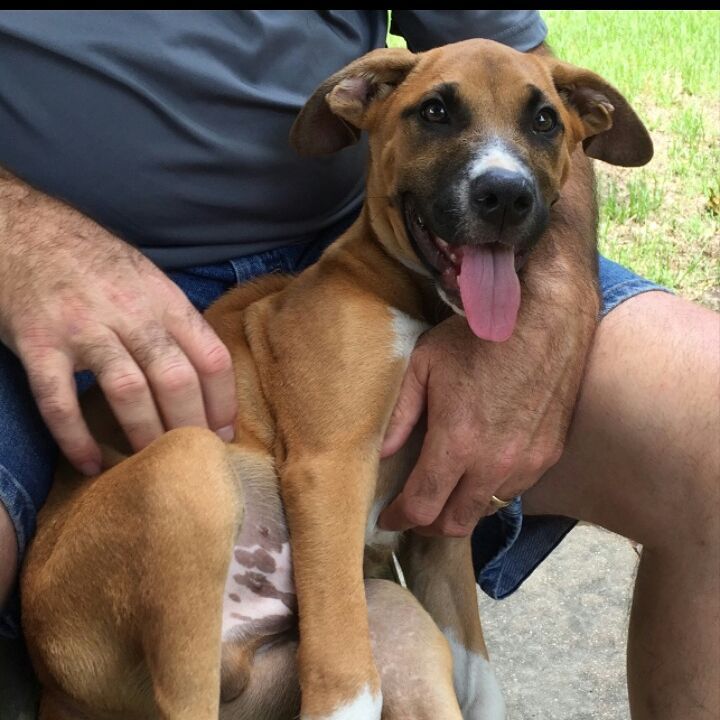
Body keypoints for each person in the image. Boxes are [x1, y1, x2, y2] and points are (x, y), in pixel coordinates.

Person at [0, 10, 717, 719]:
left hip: (353, 247)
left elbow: (519, 52)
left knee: (705, 416)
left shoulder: (416, 266)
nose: (501, 175)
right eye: (438, 112)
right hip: (42, 288)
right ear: (360, 102)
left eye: (541, 126)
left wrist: (548, 309)